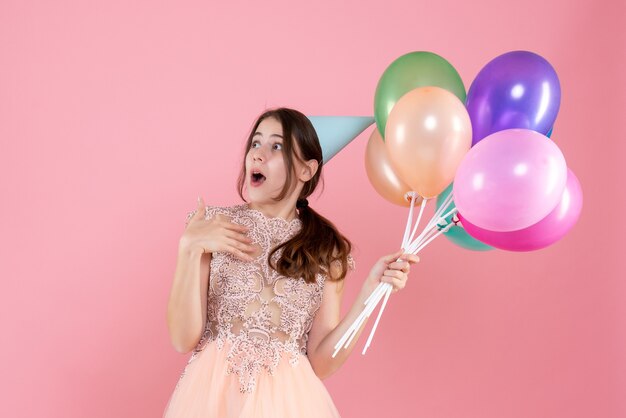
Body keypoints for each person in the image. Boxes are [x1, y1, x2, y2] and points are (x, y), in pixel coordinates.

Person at [163, 107, 420, 417]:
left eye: (277, 146)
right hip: (212, 400)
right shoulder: (214, 225)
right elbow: (182, 339)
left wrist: (371, 293)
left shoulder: (327, 249)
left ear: (306, 170)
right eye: (255, 144)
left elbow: (322, 362)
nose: (257, 155)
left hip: (288, 405)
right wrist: (189, 248)